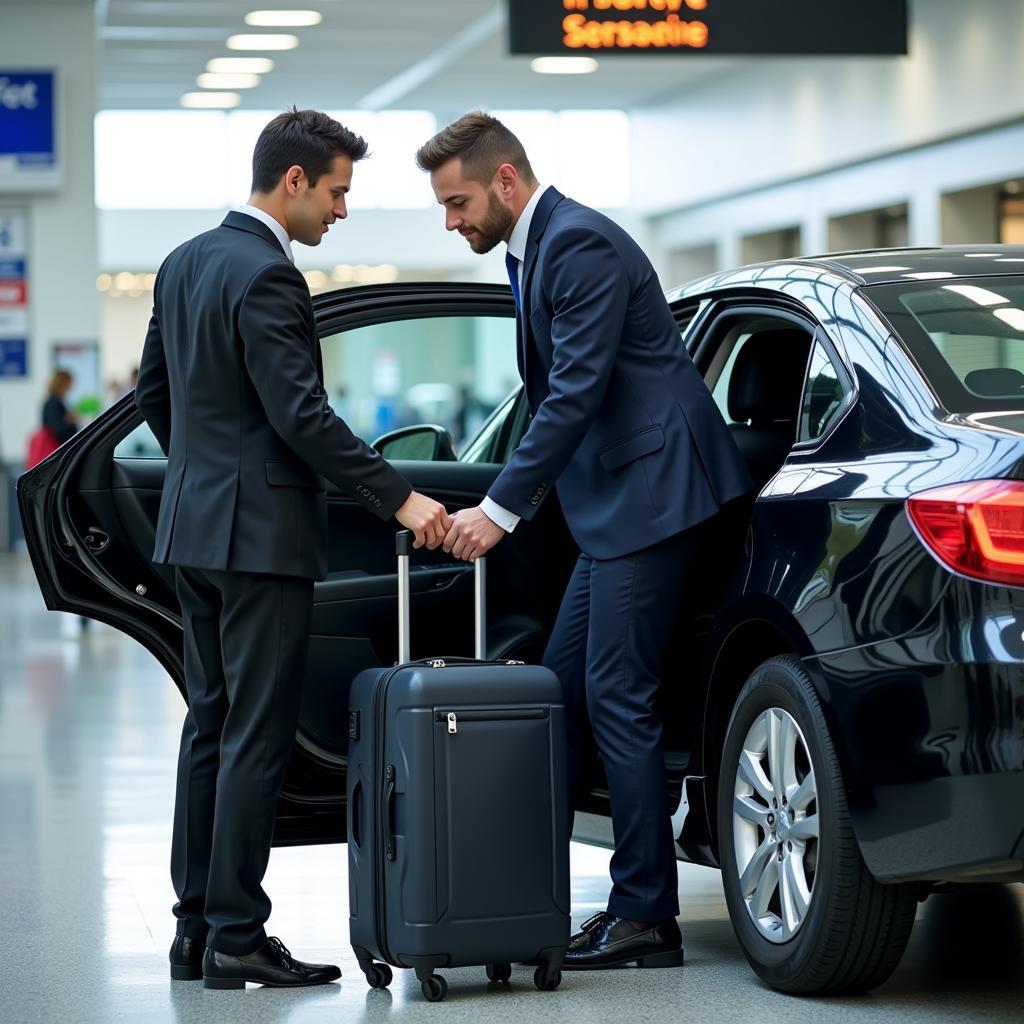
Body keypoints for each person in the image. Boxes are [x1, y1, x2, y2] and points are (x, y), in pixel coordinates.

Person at [417, 112, 752, 971]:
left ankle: (645, 917)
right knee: (554, 689)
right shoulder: (532, 252)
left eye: (456, 203)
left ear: (504, 181)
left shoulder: (581, 245)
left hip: (654, 495)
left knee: (615, 697)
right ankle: (520, 895)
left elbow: (571, 393)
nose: (451, 222)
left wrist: (498, 508)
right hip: (619, 509)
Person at [135, 108, 450, 990]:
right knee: (257, 738)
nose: (342, 211)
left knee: (210, 727)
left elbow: (155, 394)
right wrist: (399, 493)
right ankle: (239, 933)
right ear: (295, 180)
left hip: (193, 531)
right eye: (339, 190)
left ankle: (195, 929)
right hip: (260, 537)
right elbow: (300, 415)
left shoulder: (186, 262)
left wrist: (206, 470)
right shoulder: (268, 275)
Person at [42, 369, 78, 445]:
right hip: (58, 448)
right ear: (61, 384)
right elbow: (57, 430)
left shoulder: (59, 402)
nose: (70, 388)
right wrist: (69, 420)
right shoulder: (53, 404)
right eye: (68, 384)